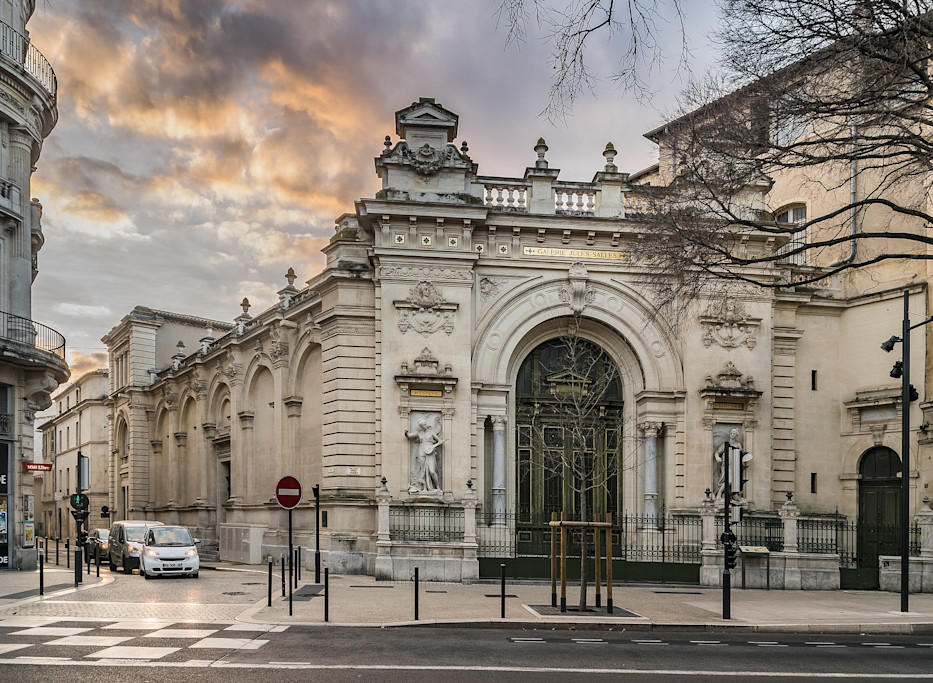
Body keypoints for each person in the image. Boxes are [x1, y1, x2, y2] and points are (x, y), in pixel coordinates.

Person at [406, 417, 442, 493]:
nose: (424, 426)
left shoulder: (431, 432)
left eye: (424, 424)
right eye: (422, 425)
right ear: (420, 426)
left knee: (432, 471)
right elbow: (410, 436)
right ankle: (424, 488)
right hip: (421, 450)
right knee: (422, 470)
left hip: (430, 451)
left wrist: (433, 446)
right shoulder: (418, 432)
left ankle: (437, 487)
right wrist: (406, 433)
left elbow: (440, 441)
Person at [714, 428, 741, 502]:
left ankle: (731, 495)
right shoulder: (725, 444)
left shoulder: (738, 445)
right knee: (729, 480)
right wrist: (717, 457)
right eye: (731, 433)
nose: (732, 434)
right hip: (726, 464)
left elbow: (741, 455)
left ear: (736, 435)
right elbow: (717, 452)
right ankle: (719, 493)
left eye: (734, 433)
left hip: (735, 465)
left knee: (734, 481)